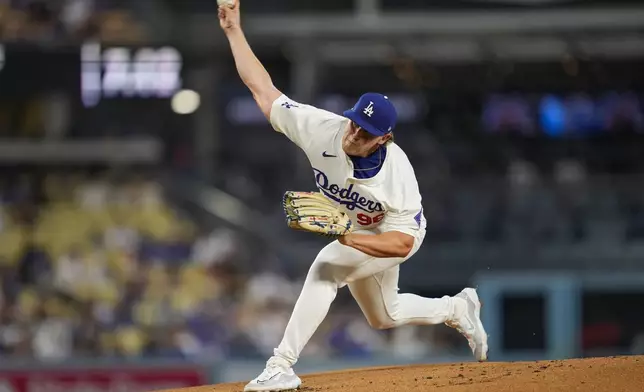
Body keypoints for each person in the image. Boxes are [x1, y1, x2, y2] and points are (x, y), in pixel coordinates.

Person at [218, 2, 489, 391]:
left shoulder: (397, 175)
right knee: (385, 315)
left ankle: (280, 365)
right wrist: (233, 31)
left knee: (326, 268)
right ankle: (456, 308)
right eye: (354, 122)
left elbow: (402, 243)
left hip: (391, 234)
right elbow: (263, 90)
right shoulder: (323, 128)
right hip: (356, 230)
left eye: (365, 132)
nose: (353, 134)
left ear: (384, 138)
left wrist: (348, 237)